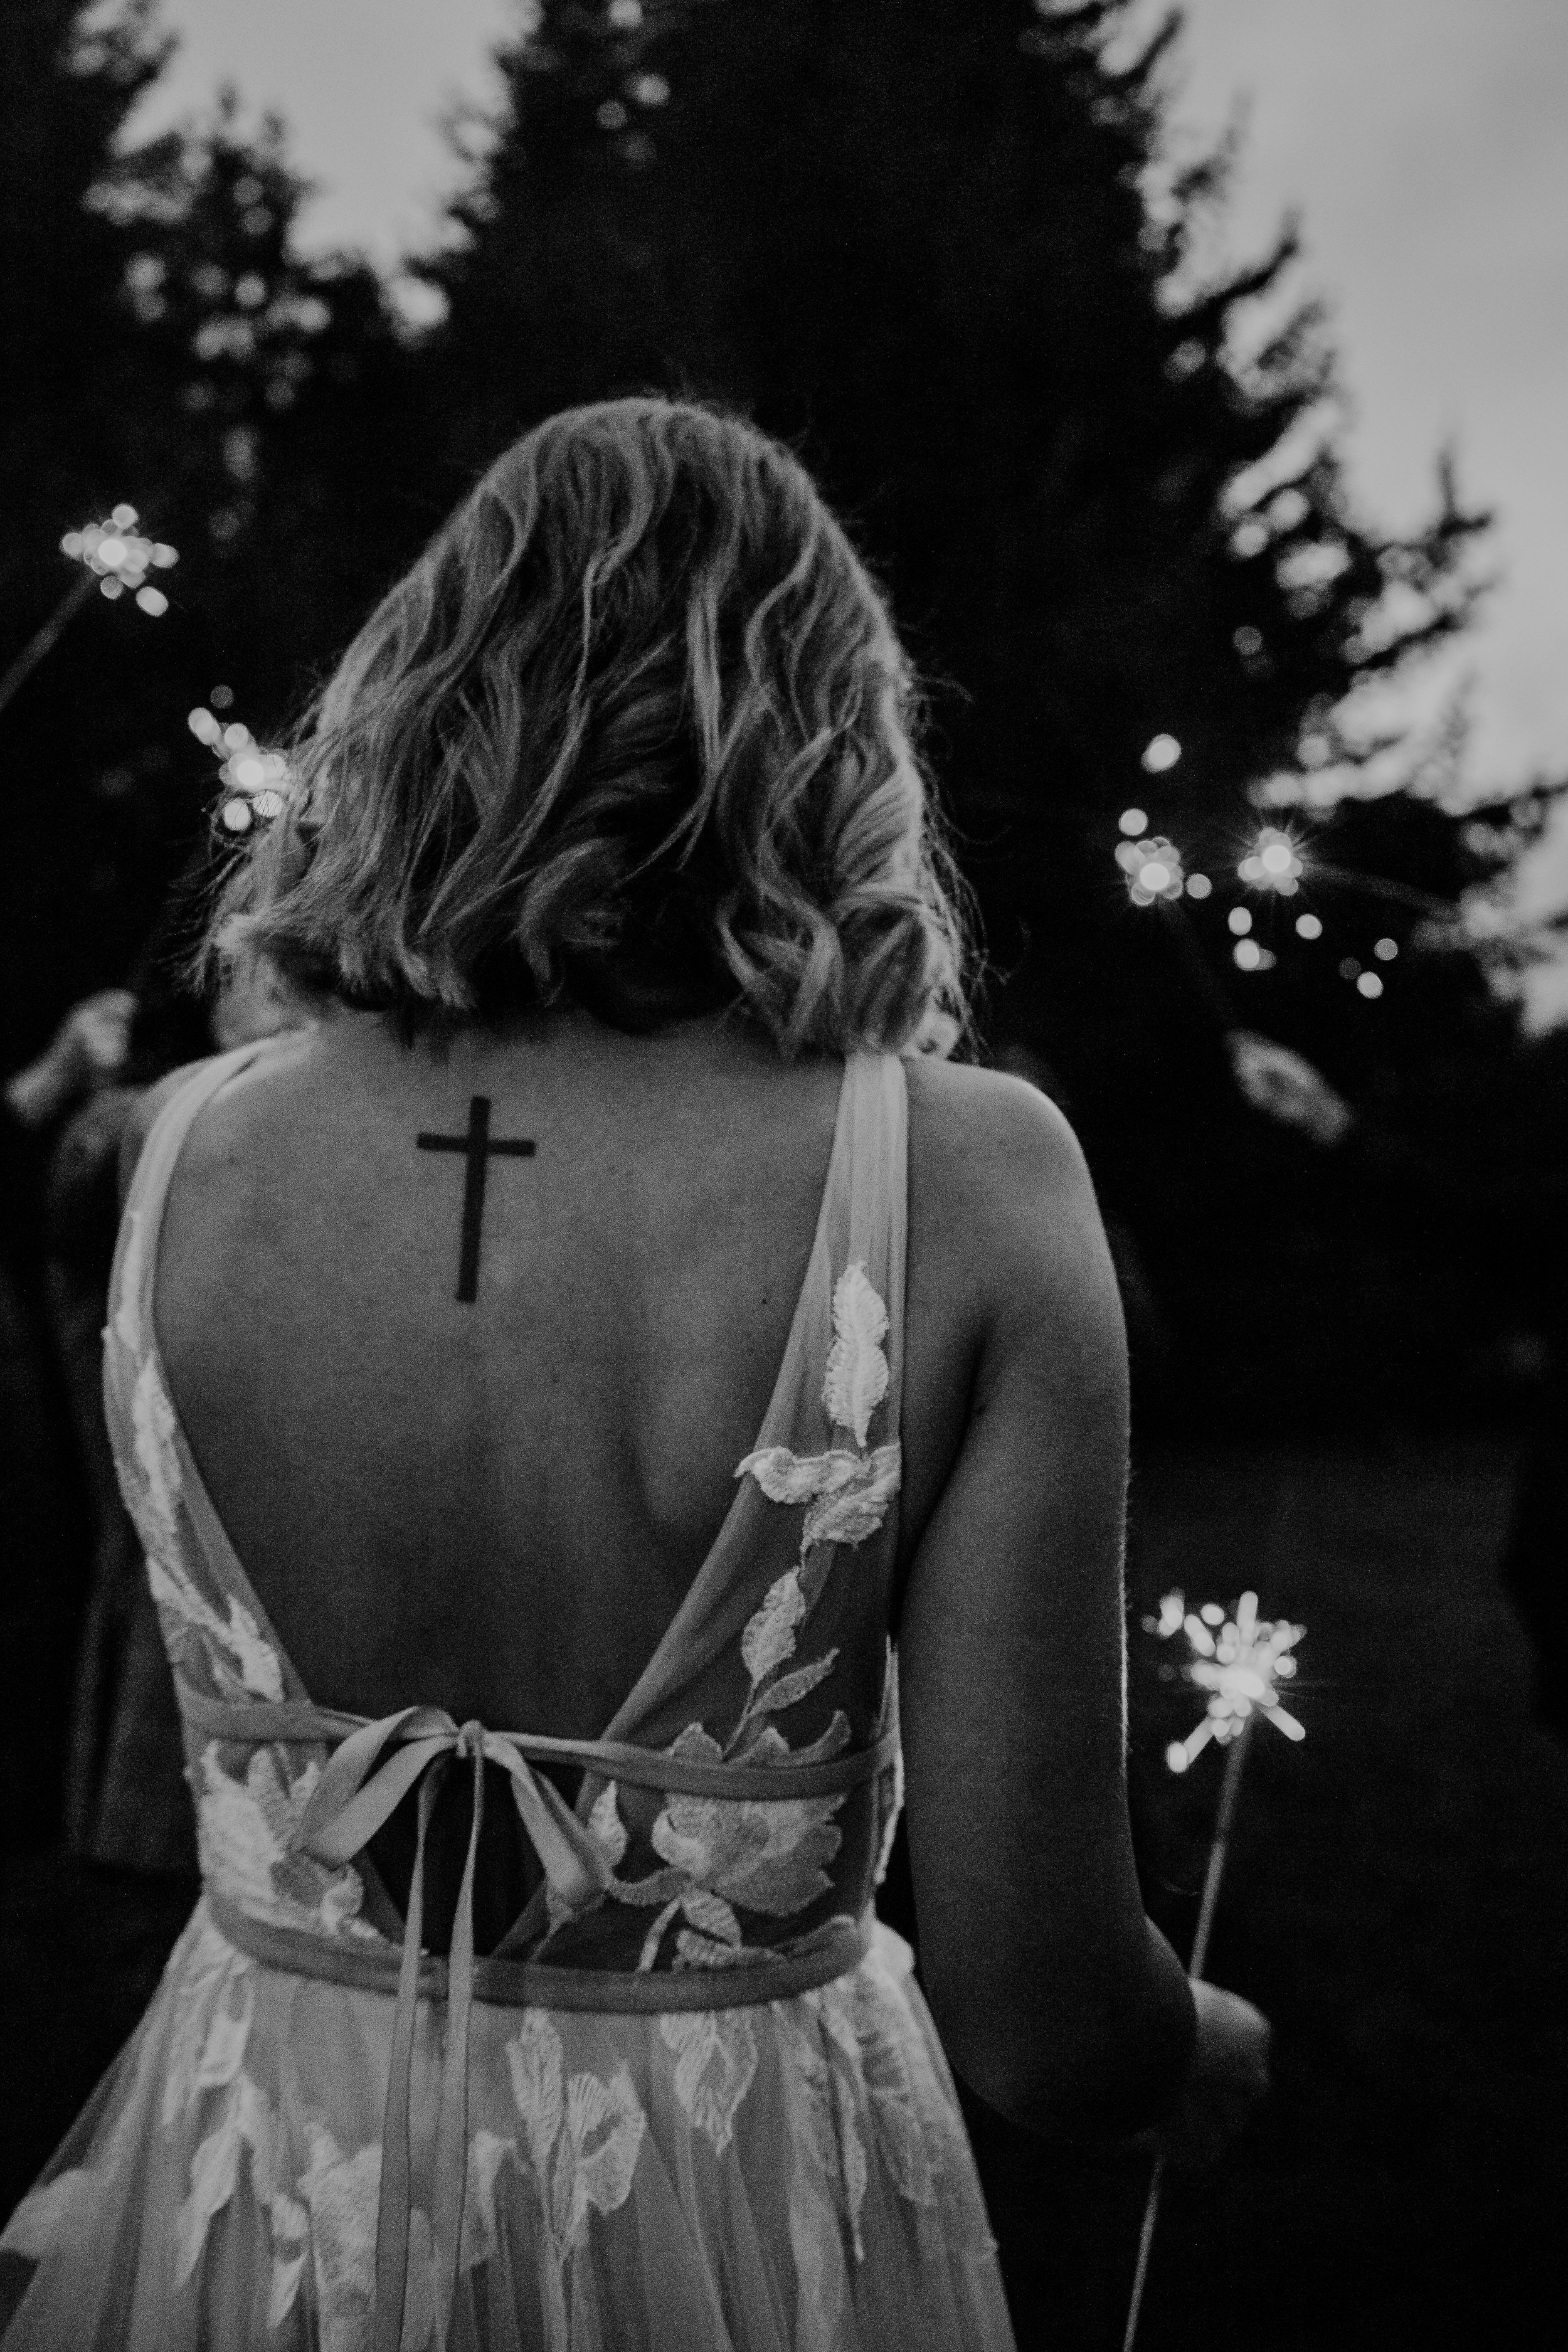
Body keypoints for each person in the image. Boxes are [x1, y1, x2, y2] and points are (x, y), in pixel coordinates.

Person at [0, 398, 1268, 2351]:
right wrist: (1193, 2040)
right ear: (829, 731)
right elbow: (1042, 2023)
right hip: (742, 2198)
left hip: (267, 2201)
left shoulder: (182, 1152)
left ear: (417, 698)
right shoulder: (968, 1175)